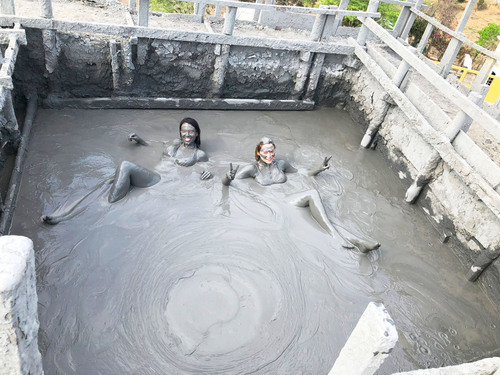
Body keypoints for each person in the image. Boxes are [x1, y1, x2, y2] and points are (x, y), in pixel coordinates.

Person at [223, 136, 380, 253]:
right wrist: (227, 178)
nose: (270, 154)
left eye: (272, 150)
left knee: (323, 216)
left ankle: (358, 242)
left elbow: (302, 173)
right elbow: (231, 182)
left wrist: (319, 168)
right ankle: (337, 236)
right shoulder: (252, 169)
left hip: (289, 199)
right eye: (266, 151)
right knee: (313, 196)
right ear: (258, 152)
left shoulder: (281, 164)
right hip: (275, 205)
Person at [42, 117, 211, 224]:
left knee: (125, 166)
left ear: (197, 134)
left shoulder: (199, 154)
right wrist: (140, 141)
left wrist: (208, 175)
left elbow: (206, 169)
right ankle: (66, 214)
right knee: (107, 183)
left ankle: (104, 206)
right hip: (153, 174)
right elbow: (156, 147)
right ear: (180, 132)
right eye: (184, 131)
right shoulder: (174, 143)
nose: (187, 134)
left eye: (191, 131)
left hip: (161, 182)